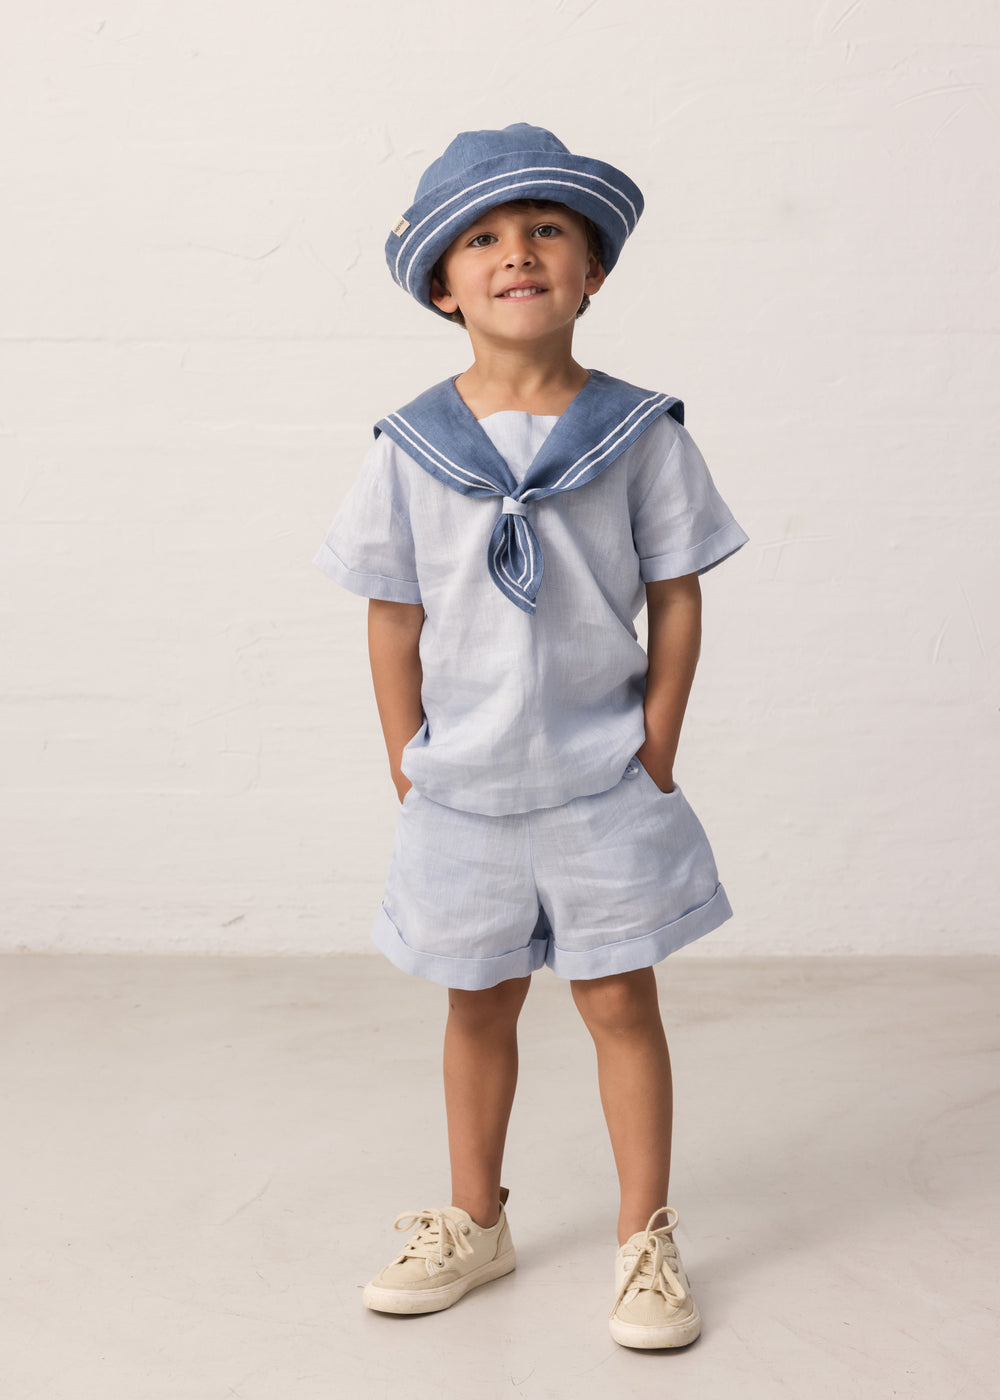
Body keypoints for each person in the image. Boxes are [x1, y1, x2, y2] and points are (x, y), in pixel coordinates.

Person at [314, 123, 748, 1349]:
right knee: (477, 1002)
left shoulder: (637, 432)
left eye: (546, 229)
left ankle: (643, 1234)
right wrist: (404, 755)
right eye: (483, 238)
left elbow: (675, 589)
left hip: (600, 774)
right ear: (443, 287)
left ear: (591, 270)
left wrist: (656, 741)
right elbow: (391, 611)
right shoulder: (409, 446)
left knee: (617, 999)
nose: (517, 252)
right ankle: (476, 1215)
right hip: (462, 784)